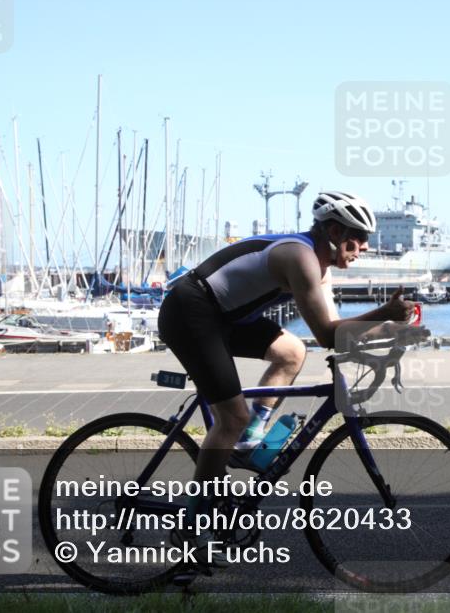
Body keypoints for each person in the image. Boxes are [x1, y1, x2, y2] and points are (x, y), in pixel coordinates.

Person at [157, 191, 418, 562]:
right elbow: (330, 335)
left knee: (293, 351)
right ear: (332, 230)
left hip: (223, 317)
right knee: (231, 416)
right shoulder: (300, 258)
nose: (362, 247)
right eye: (357, 238)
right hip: (190, 310)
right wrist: (384, 312)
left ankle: (248, 441)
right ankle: (191, 523)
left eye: (365, 240)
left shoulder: (318, 267)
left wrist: (393, 327)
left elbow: (335, 332)